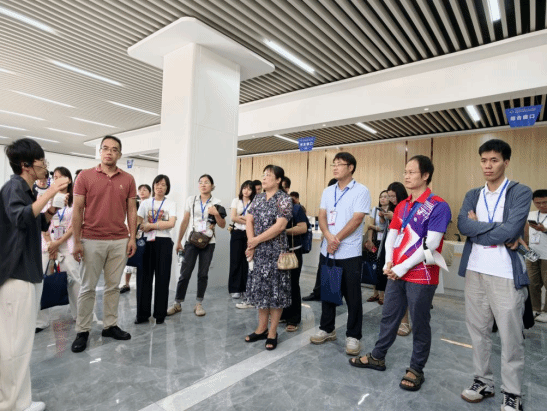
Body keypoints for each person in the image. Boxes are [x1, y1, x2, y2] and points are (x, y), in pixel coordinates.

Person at [350, 155, 451, 393]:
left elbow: (432, 244)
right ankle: (378, 356)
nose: (406, 176)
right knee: (389, 316)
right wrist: (389, 262)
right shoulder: (403, 205)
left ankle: (416, 369)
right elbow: (392, 235)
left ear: (425, 175)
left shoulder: (438, 205)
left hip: (422, 274)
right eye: (405, 172)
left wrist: (402, 267)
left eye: (412, 172)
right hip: (396, 272)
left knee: (419, 322)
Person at [458, 139, 532, 411]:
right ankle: (483, 381)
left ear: (506, 162)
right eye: (483, 160)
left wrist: (479, 227)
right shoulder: (473, 194)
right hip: (476, 270)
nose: (487, 166)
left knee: (511, 337)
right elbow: (463, 225)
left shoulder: (520, 191)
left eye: (494, 160)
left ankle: (512, 392)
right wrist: (493, 228)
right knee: (478, 331)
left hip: (505, 274)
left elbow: (511, 230)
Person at [0, 138, 69, 411]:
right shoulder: (14, 187)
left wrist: (51, 206)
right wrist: (50, 191)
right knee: (15, 344)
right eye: (41, 160)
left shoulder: (26, 190)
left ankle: (20, 401)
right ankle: (11, 404)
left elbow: (38, 221)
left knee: (19, 343)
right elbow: (20, 217)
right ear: (26, 164)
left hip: (25, 272)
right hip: (16, 274)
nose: (45, 166)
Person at [70, 135, 138, 353]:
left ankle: (110, 325)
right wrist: (76, 241)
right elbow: (77, 210)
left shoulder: (128, 179)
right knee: (87, 287)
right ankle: (82, 330)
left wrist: (132, 237)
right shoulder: (85, 176)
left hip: (119, 240)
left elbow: (132, 210)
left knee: (113, 287)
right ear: (100, 152)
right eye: (105, 148)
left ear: (120, 154)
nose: (109, 152)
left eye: (114, 149)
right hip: (91, 239)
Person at [310, 152, 371, 356]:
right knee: (328, 292)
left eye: (339, 164)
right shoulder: (328, 191)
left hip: (350, 252)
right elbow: (322, 215)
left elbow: (357, 219)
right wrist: (329, 237)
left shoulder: (361, 190)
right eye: (333, 164)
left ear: (351, 167)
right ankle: (327, 329)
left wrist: (336, 239)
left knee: (353, 296)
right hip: (328, 250)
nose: (335, 167)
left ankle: (353, 336)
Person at [244, 165, 293, 351]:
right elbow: (249, 220)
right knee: (261, 290)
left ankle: (272, 332)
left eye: (268, 175)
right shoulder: (258, 198)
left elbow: (280, 226)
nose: (264, 178)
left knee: (275, 292)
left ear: (278, 180)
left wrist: (255, 240)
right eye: (263, 175)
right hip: (259, 251)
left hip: (276, 252)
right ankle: (261, 328)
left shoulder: (283, 199)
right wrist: (251, 243)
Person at [168, 174, 226, 317]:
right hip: (192, 240)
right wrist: (179, 240)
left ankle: (199, 304)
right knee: (185, 273)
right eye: (201, 182)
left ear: (212, 186)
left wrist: (216, 214)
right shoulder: (191, 200)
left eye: (206, 182)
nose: (203, 184)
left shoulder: (217, 202)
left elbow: (222, 225)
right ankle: (177, 303)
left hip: (208, 241)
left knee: (203, 274)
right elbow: (185, 220)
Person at [37, 167, 81, 333]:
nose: (57, 179)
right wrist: (51, 244)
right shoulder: (46, 197)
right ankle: (41, 321)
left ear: (68, 179)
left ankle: (80, 315)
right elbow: (42, 222)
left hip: (66, 243)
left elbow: (75, 225)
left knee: (75, 279)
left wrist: (58, 243)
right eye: (55, 177)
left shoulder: (75, 200)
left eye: (61, 176)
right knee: (41, 280)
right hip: (47, 243)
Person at [135, 175, 177, 325]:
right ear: (153, 186)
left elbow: (171, 223)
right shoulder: (145, 203)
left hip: (164, 242)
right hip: (146, 242)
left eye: (163, 185)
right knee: (143, 278)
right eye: (157, 184)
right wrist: (146, 226)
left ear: (167, 188)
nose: (160, 187)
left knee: (162, 278)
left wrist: (151, 226)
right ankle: (142, 314)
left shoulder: (171, 203)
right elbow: (138, 221)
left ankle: (160, 314)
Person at [302, 178, 338, 302]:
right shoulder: (327, 201)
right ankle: (317, 292)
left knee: (335, 269)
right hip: (327, 239)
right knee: (322, 267)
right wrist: (325, 233)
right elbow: (324, 218)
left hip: (338, 241)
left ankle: (333, 294)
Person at [280, 188, 309, 332]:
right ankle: (283, 314)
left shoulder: (296, 208)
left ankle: (294, 318)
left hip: (292, 251)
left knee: (292, 284)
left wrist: (282, 231)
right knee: (281, 285)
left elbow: (303, 228)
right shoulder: (272, 208)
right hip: (277, 252)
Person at [120, 183, 152, 294]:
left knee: (143, 260)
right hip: (133, 234)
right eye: (140, 190)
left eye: (145, 190)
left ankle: (142, 283)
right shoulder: (134, 204)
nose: (142, 192)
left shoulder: (150, 205)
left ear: (150, 193)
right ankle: (126, 283)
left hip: (146, 234)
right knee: (130, 258)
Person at [229, 181, 256, 300]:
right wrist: (247, 220)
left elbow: (254, 220)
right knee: (235, 261)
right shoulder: (236, 201)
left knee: (247, 262)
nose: (246, 191)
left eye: (249, 189)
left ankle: (245, 288)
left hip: (250, 233)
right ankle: (235, 289)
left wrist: (241, 218)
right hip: (237, 233)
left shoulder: (254, 202)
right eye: (244, 188)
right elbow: (233, 217)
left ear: (252, 191)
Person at [364, 190, 391, 305]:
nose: (382, 199)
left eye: (385, 197)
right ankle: (375, 293)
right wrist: (370, 240)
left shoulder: (391, 211)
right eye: (381, 197)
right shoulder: (375, 209)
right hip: (375, 241)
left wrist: (377, 225)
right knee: (373, 266)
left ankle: (382, 295)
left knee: (382, 268)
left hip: (386, 242)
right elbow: (369, 226)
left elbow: (386, 227)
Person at [525, 189, 547, 323]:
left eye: (545, 202)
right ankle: (535, 309)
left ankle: (546, 312)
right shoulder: (531, 214)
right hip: (532, 254)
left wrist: (544, 230)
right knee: (532, 283)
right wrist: (524, 250)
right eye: (538, 203)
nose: (542, 205)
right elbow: (525, 233)